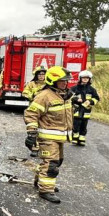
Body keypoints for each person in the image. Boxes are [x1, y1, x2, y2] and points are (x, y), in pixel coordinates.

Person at [24, 66, 72, 204]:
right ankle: (46, 190)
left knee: (58, 161)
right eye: (62, 81)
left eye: (66, 81)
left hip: (60, 137)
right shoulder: (44, 96)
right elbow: (31, 114)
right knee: (51, 164)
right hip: (47, 137)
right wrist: (32, 133)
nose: (65, 83)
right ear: (53, 81)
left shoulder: (64, 95)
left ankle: (40, 180)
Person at [69, 70, 100, 146]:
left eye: (87, 78)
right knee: (76, 124)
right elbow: (68, 97)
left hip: (86, 111)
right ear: (80, 78)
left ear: (90, 79)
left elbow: (96, 98)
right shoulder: (74, 88)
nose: (85, 79)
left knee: (84, 125)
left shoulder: (92, 90)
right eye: (84, 78)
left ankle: (82, 138)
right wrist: (76, 99)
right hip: (76, 109)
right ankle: (75, 138)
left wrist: (91, 101)